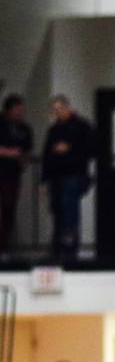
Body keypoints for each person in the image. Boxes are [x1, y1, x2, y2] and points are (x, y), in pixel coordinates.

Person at [41, 95, 94, 259]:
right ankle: (57, 244)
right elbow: (46, 156)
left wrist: (70, 148)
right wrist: (44, 180)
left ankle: (70, 242)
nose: (57, 113)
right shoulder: (54, 130)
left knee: (69, 205)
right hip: (56, 175)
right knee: (57, 207)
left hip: (74, 174)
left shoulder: (82, 126)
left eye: (59, 109)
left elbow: (91, 148)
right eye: (54, 110)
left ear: (67, 108)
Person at [0, 94, 33, 253]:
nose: (20, 113)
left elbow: (27, 150)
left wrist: (22, 157)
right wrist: (7, 152)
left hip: (13, 175)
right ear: (9, 109)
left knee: (9, 209)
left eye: (22, 110)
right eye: (17, 109)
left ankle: (4, 246)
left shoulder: (25, 129)